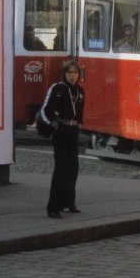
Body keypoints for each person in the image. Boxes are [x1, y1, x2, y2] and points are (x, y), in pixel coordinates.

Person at [41, 58, 85, 218]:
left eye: (75, 73)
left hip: (73, 132)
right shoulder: (57, 88)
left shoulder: (80, 91)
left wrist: (79, 124)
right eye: (69, 72)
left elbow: (80, 112)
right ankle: (53, 207)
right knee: (60, 169)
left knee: (73, 168)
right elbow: (46, 110)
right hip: (60, 132)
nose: (73, 76)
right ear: (64, 74)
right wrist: (54, 125)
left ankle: (69, 202)